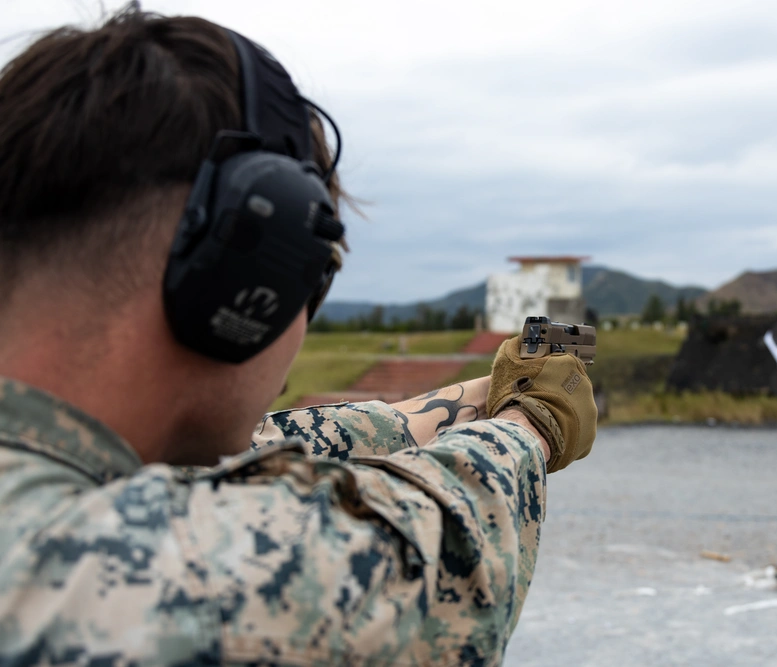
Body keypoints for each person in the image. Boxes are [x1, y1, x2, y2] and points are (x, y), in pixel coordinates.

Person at [0, 8, 598, 665]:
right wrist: (533, 421)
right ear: (248, 279)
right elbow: (433, 556)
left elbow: (300, 439)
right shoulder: (124, 570)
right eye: (314, 273)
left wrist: (498, 390)